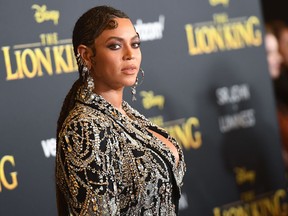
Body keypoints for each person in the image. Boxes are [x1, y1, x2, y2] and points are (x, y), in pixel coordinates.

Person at [55, 5, 186, 216]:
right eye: (115, 46)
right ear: (87, 56)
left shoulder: (126, 115)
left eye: (135, 44)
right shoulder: (84, 128)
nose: (130, 54)